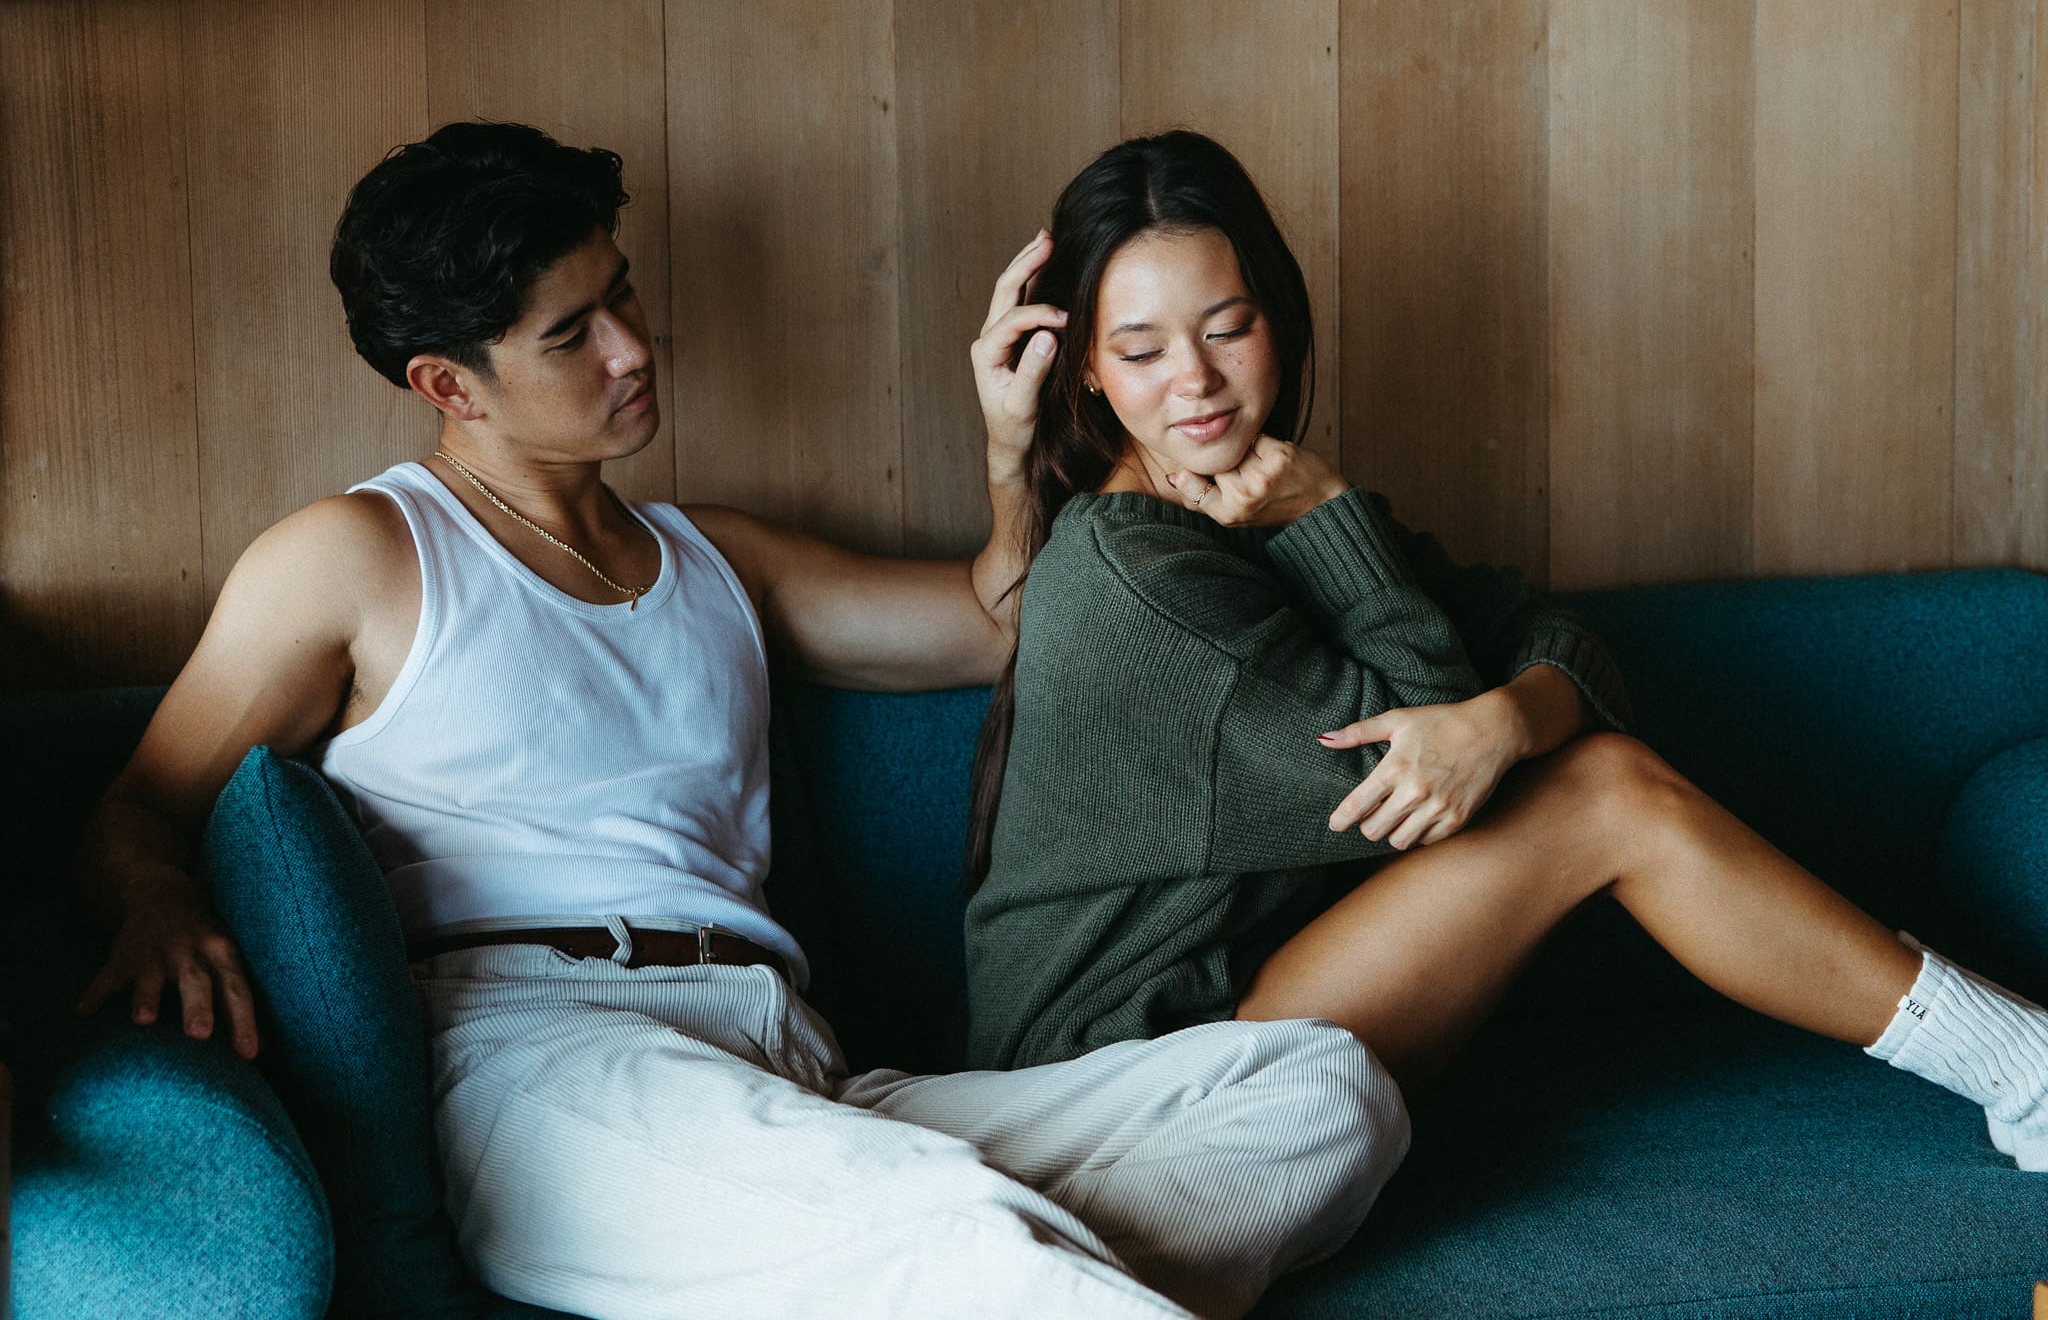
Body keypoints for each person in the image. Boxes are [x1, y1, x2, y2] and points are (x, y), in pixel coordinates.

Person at [70, 122, 1410, 1320]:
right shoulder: (356, 556)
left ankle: (966, 1275)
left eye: (622, 294)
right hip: (548, 1066)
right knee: (952, 1236)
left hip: (792, 1062)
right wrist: (154, 894)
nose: (633, 348)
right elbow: (137, 804)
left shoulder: (715, 557)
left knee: (1323, 1091)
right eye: (570, 335)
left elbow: (997, 619)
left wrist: (1007, 447)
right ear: (449, 384)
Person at [962, 129, 2048, 1176]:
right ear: (1090, 374)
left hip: (1234, 1011)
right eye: (1141, 349)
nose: (1193, 380)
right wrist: (1337, 520)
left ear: (1278, 325)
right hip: (1113, 1073)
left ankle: (2025, 1068)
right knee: (1605, 794)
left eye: (1226, 327)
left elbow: (1552, 637)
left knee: (1597, 778)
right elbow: (1421, 783)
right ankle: (2027, 1071)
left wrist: (1507, 717)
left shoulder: (1255, 502)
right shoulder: (1133, 578)